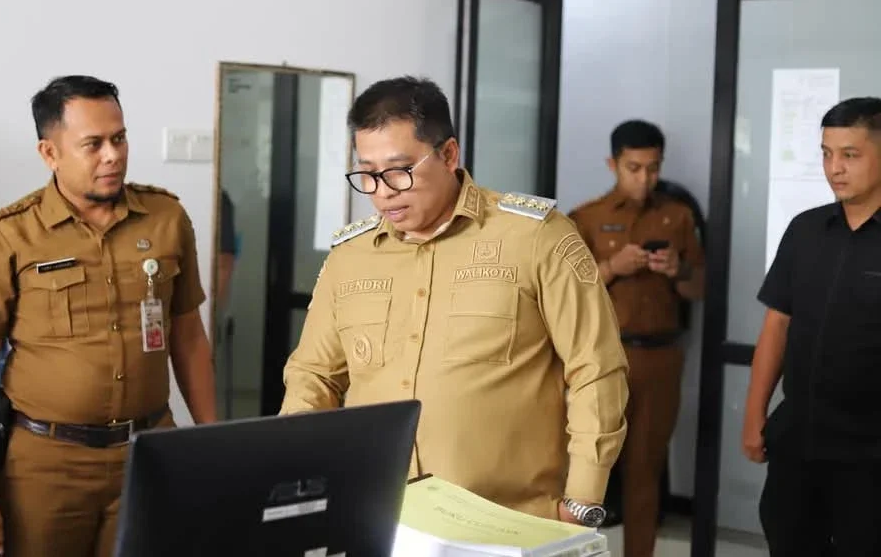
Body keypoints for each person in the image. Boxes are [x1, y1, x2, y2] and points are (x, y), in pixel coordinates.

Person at [279, 76, 629, 525]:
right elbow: (313, 375)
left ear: (448, 155)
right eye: (367, 173)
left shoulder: (536, 237)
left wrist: (582, 499)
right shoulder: (351, 256)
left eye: (398, 170)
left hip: (508, 522)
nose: (382, 192)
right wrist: (297, 474)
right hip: (378, 516)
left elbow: (596, 369)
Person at [0, 75, 217, 557]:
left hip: (148, 453)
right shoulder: (8, 235)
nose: (113, 155)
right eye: (93, 144)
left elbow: (189, 338)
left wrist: (213, 440)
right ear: (50, 153)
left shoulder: (166, 218)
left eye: (120, 138)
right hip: (46, 467)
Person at [742, 96, 881, 555]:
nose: (834, 168)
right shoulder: (805, 230)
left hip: (870, 454)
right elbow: (777, 325)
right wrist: (754, 415)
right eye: (826, 153)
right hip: (798, 440)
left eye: (850, 154)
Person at [568, 120, 705, 557]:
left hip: (660, 357)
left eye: (653, 168)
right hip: (601, 359)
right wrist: (613, 268)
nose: (644, 178)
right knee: (584, 468)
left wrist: (678, 270)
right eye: (634, 168)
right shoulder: (586, 217)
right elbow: (565, 292)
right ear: (613, 165)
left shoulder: (678, 216)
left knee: (646, 471)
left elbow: (699, 288)